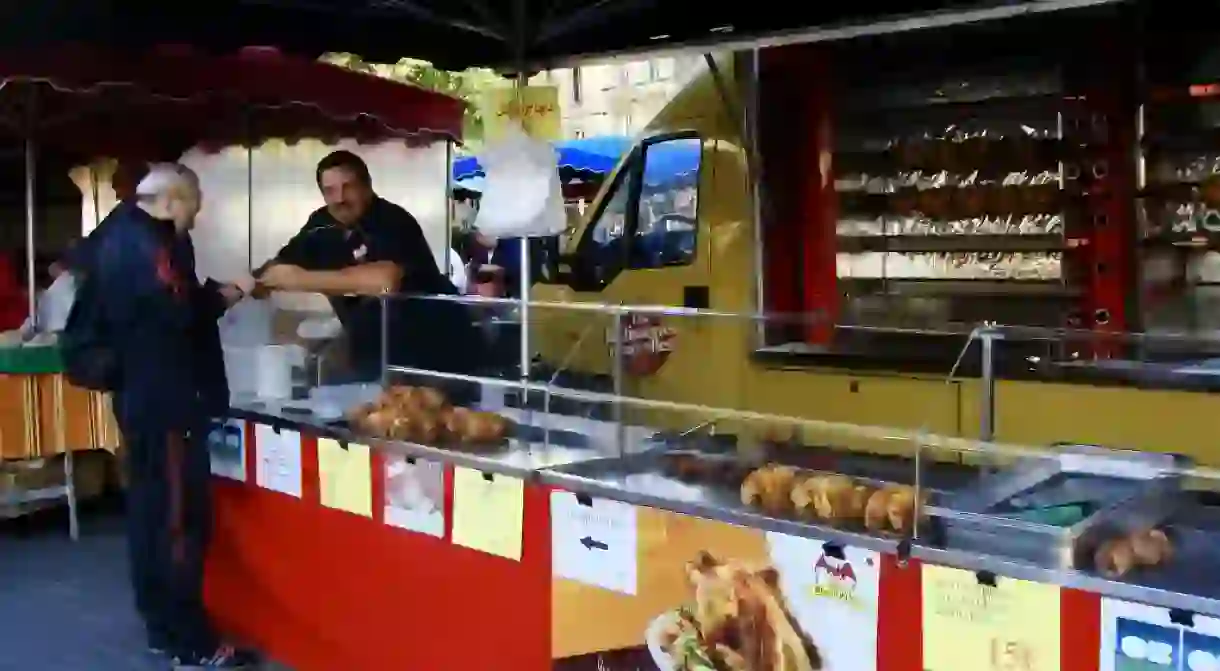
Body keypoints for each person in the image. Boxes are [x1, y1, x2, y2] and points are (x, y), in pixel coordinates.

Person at [82, 163, 257, 669]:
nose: (195, 222)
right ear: (174, 199)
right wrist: (229, 293)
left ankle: (160, 623)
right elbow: (180, 313)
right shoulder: (147, 244)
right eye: (194, 209)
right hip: (167, 400)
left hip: (137, 395)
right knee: (178, 519)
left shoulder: (111, 236)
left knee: (148, 511)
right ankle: (192, 642)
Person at [258, 150, 484, 395]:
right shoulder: (320, 225)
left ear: (367, 186)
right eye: (330, 191)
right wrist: (247, 286)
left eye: (348, 187)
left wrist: (300, 280)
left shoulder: (392, 221)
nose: (340, 198)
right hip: (376, 357)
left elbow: (384, 281)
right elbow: (277, 267)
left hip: (437, 357)